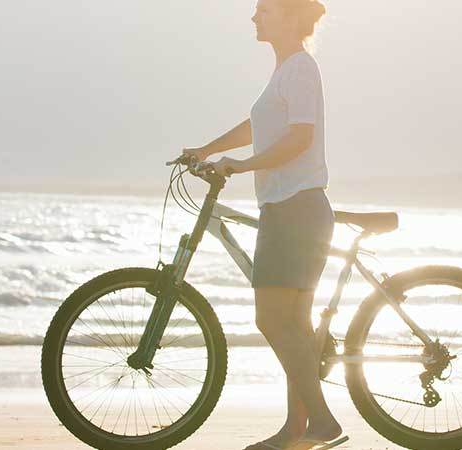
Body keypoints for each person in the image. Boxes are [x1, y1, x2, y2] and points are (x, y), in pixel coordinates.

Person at [181, 1, 345, 449]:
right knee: (294, 326)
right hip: (291, 209)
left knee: (272, 320)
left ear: (291, 17)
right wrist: (207, 150)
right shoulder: (284, 72)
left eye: (265, 10)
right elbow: (260, 125)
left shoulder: (300, 69)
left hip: (295, 210)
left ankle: (324, 422)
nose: (255, 18)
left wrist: (243, 165)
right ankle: (296, 431)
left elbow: (300, 137)